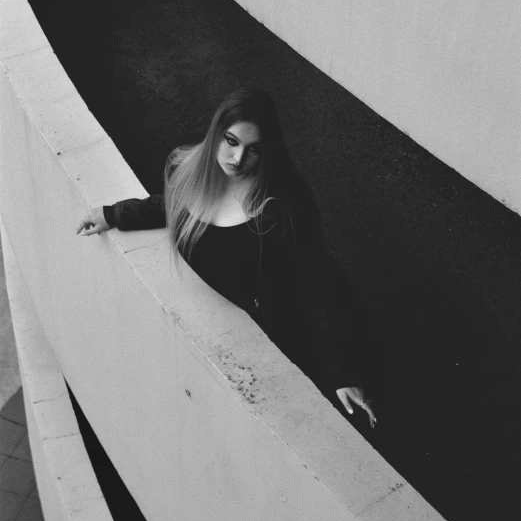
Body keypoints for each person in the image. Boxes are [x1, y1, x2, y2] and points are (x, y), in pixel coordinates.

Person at [77, 88, 378, 428]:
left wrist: (342, 371)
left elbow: (315, 284)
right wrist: (114, 214)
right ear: (216, 135)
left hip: (291, 325)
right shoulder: (192, 173)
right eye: (231, 142)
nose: (237, 159)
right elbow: (174, 206)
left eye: (253, 150)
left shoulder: (280, 205)